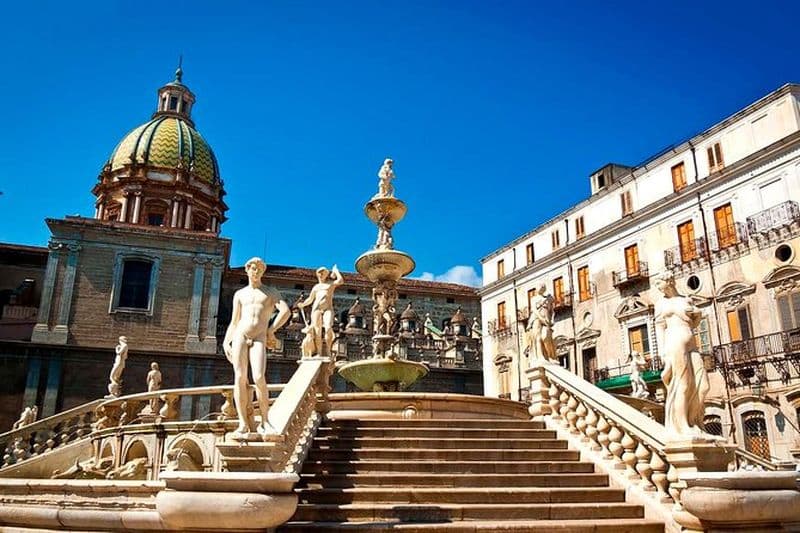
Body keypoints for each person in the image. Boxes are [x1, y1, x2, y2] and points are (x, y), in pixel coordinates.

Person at [223, 257, 290, 436]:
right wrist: (226, 341)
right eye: (253, 268)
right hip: (240, 335)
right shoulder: (239, 294)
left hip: (260, 336)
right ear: (247, 270)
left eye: (260, 269)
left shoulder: (270, 292)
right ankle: (243, 423)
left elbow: (285, 311)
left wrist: (271, 330)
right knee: (239, 377)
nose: (256, 271)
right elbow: (234, 321)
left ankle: (265, 421)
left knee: (259, 377)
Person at [654, 271, 710, 437]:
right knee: (682, 385)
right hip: (675, 341)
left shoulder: (685, 300)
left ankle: (695, 422)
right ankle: (683, 426)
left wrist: (698, 315)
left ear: (669, 281)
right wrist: (663, 353)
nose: (658, 287)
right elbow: (659, 328)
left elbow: (694, 323)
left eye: (659, 283)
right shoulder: (661, 304)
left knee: (703, 386)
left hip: (691, 341)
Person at [297, 265, 344, 358]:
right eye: (320, 273)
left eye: (323, 273)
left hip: (328, 309)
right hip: (316, 309)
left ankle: (328, 350)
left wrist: (336, 271)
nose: (321, 274)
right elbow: (310, 299)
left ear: (326, 274)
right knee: (317, 331)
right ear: (317, 275)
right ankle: (319, 352)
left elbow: (341, 281)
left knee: (328, 328)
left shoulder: (330, 284)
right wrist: (303, 304)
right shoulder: (316, 287)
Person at [526, 284, 556, 361]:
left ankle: (550, 357)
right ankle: (540, 356)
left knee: (546, 337)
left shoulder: (548, 299)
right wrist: (540, 317)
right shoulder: (534, 299)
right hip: (536, 318)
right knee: (538, 337)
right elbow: (534, 310)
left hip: (546, 319)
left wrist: (552, 319)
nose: (541, 288)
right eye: (540, 287)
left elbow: (552, 311)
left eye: (542, 287)